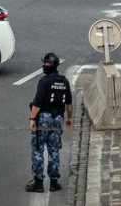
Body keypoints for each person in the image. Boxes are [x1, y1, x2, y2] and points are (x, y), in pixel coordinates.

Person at [26, 52, 73, 194]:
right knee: (54, 150)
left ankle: (38, 183)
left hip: (43, 119)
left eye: (46, 64)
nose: (44, 66)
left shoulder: (44, 81)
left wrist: (32, 119)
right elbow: (69, 103)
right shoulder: (64, 81)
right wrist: (69, 118)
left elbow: (38, 103)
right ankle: (54, 183)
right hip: (58, 119)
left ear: (48, 66)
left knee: (38, 149)